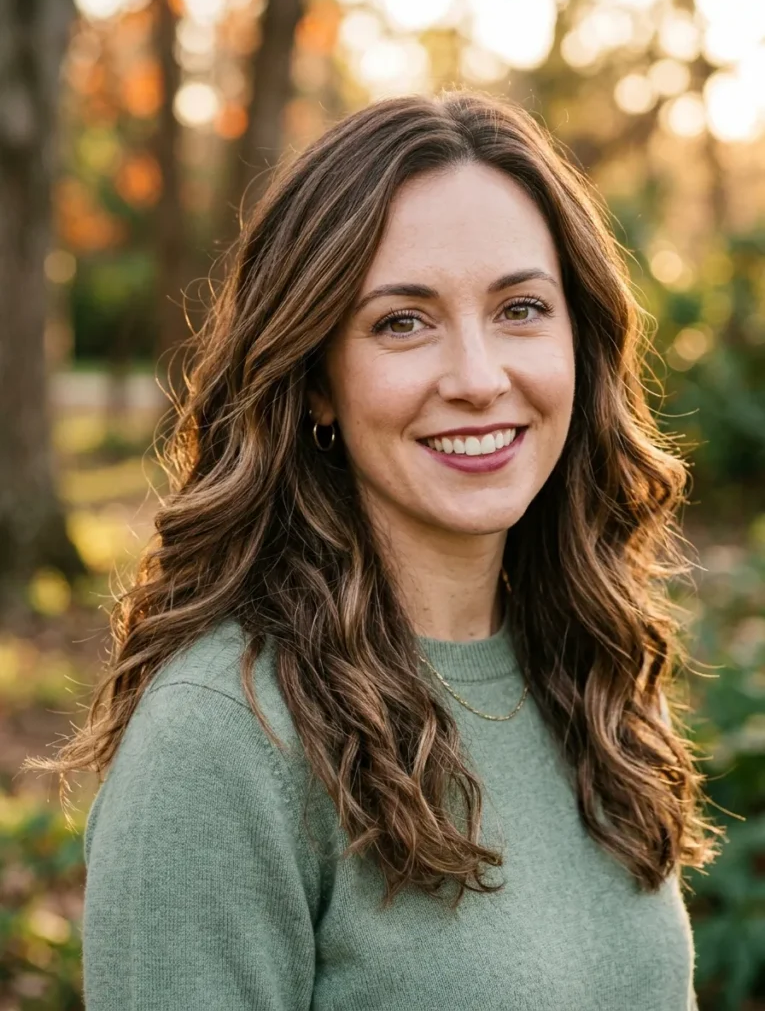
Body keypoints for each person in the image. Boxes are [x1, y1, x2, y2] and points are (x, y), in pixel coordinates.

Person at [48, 92, 720, 1009]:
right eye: (402, 322)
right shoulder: (223, 738)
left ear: (580, 343)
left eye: (520, 307)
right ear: (315, 380)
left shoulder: (584, 674)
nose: (480, 378)